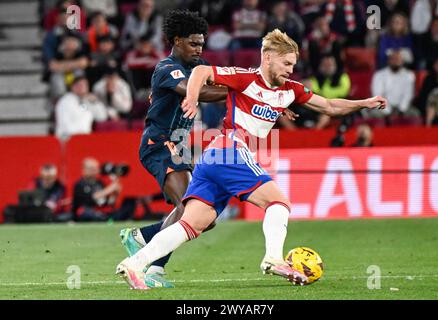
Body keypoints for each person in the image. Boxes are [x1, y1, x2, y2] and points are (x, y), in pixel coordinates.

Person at [116, 29, 387, 289]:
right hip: (229, 150)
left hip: (214, 159)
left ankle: (134, 264)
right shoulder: (245, 78)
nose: (291, 69)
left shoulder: (289, 90)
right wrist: (191, 97)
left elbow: (328, 105)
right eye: (286, 63)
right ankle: (273, 259)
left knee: (191, 223)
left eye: (293, 64)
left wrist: (362, 103)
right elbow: (200, 71)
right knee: (278, 202)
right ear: (267, 57)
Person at [117, 10, 228, 289]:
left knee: (206, 218)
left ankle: (141, 237)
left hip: (179, 144)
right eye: (193, 43)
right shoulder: (167, 69)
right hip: (160, 142)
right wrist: (242, 91)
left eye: (202, 44)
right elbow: (198, 93)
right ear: (176, 41)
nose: (199, 49)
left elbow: (222, 81)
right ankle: (152, 268)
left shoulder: (198, 66)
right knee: (190, 209)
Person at [55, 73, 108, 141]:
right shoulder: (65, 101)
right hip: (67, 139)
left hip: (84, 139)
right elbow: (65, 125)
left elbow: (102, 117)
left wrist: (95, 103)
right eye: (80, 85)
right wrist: (79, 135)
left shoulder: (88, 101)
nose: (83, 88)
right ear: (73, 87)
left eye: (85, 85)